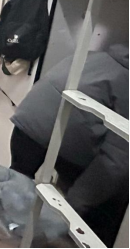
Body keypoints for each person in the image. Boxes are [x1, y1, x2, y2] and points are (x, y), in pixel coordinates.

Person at [11, 45, 129, 247]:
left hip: (27, 120)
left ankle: (11, 226)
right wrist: (72, 208)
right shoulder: (126, 83)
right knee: (110, 205)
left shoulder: (94, 55)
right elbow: (115, 161)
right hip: (62, 138)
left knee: (17, 180)